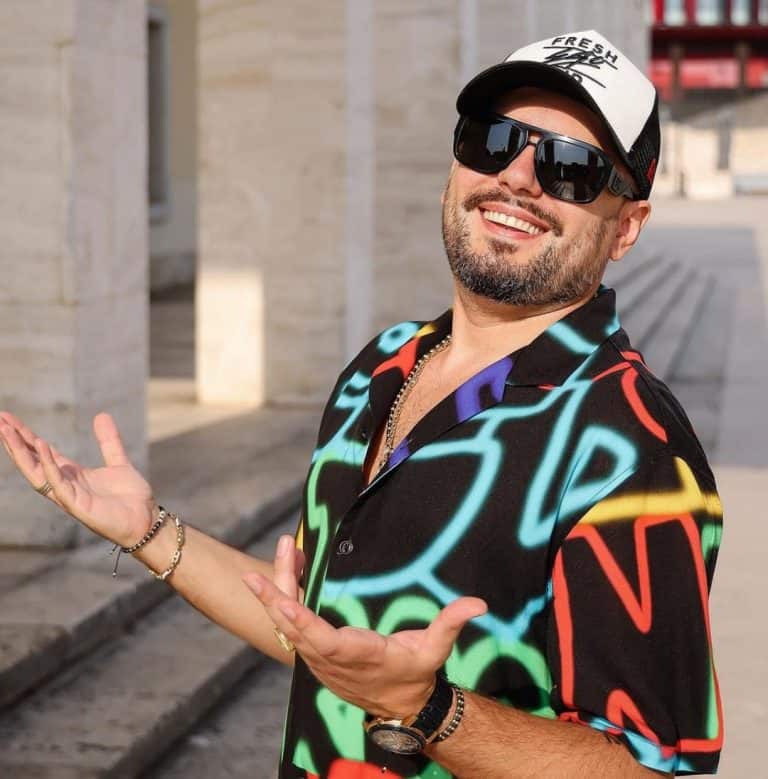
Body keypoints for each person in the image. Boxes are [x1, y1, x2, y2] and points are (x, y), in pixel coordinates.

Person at [0, 29, 723, 779]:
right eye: (493, 140)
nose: (515, 178)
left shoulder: (631, 446)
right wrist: (149, 531)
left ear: (626, 227)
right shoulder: (383, 366)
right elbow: (321, 635)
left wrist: (428, 709)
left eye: (570, 168)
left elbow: (650, 769)